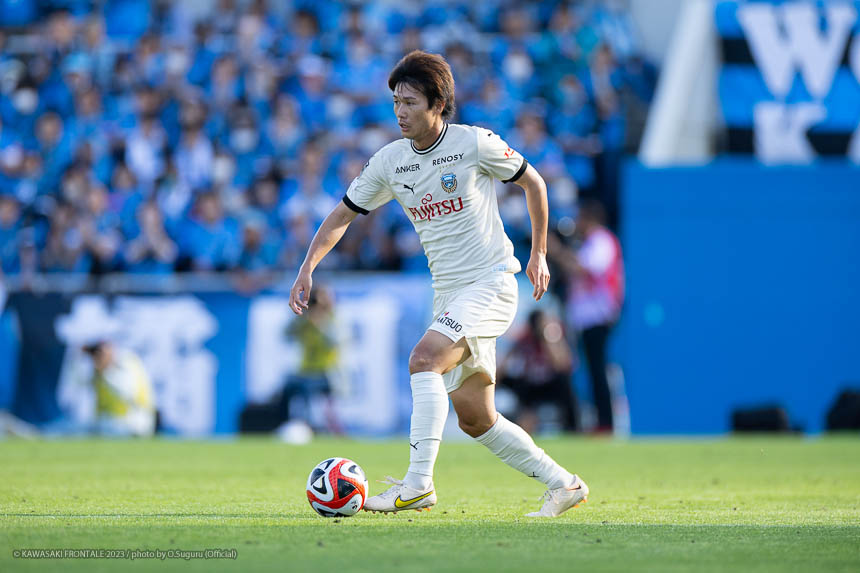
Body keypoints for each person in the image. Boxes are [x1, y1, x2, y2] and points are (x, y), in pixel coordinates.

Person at [289, 51, 587, 517]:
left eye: (410, 102)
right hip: (449, 294)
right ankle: (564, 484)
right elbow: (343, 215)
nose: (400, 112)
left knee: (423, 359)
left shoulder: (474, 143)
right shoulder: (391, 161)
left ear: (438, 103)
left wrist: (539, 253)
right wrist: (308, 266)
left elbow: (535, 184)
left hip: (490, 283)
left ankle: (417, 486)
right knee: (477, 419)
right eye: (395, 102)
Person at [553, 199, 624, 433]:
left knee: (598, 370)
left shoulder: (602, 240)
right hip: (587, 317)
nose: (577, 223)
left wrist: (556, 250)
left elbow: (584, 268)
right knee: (593, 371)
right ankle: (600, 421)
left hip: (598, 315)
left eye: (580, 218)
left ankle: (606, 423)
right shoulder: (590, 242)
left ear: (589, 218)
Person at [498, 309, 578, 434]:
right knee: (515, 384)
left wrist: (548, 338)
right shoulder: (524, 339)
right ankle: (521, 423)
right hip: (530, 384)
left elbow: (563, 365)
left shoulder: (553, 336)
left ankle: (572, 427)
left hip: (549, 383)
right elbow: (505, 363)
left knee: (565, 383)